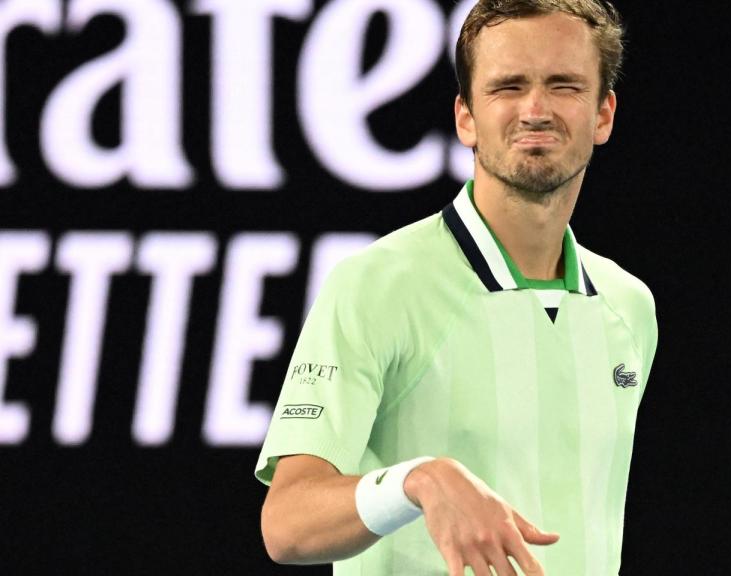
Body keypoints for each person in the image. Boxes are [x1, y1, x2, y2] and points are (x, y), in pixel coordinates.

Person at [255, 1, 657, 574]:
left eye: (563, 85)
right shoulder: (376, 286)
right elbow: (287, 524)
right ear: (465, 117)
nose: (535, 109)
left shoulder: (628, 307)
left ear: (603, 114)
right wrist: (415, 482)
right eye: (508, 87)